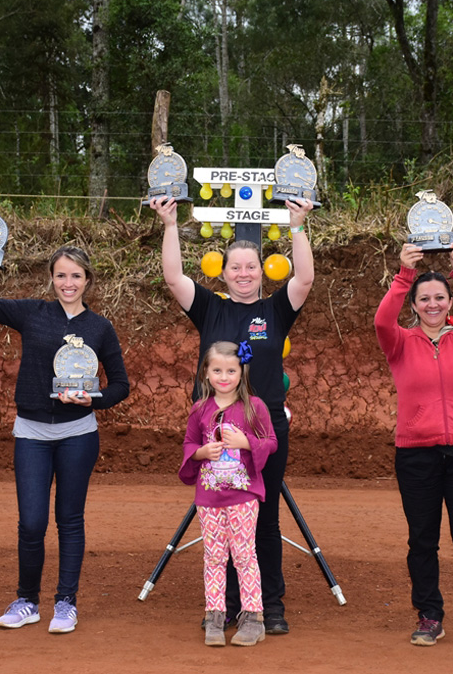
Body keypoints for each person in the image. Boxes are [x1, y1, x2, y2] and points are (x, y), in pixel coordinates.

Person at [151, 195, 314, 634]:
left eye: (251, 266)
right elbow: (172, 278)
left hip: (264, 430)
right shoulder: (210, 307)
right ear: (223, 273)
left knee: (264, 516)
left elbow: (305, 279)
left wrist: (298, 225)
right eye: (236, 267)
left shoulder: (275, 309)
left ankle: (268, 607)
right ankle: (222, 605)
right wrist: (169, 224)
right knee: (221, 518)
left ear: (262, 272)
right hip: (214, 431)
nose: (244, 273)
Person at [0, 234, 129, 634]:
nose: (68, 282)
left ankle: (66, 603)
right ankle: (27, 601)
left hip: (78, 434)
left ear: (88, 280)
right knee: (31, 523)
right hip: (31, 433)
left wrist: (94, 400)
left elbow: (120, 384)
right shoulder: (32, 313)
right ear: (51, 278)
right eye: (61, 275)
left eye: (76, 276)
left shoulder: (100, 327)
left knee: (69, 520)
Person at [374, 240, 453, 648]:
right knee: (422, 540)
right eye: (424, 299)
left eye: (439, 298)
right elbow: (380, 320)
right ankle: (429, 615)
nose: (432, 304)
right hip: (415, 455)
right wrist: (403, 274)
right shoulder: (398, 343)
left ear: (450, 302)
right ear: (414, 305)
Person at [180, 340, 278, 647]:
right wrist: (201, 452)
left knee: (245, 555)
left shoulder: (254, 407)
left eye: (231, 370)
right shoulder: (199, 409)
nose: (224, 377)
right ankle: (215, 616)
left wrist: (246, 442)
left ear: (242, 372)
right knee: (213, 557)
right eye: (217, 370)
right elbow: (188, 445)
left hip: (243, 497)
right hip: (208, 499)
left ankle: (253, 617)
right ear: (206, 373)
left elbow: (271, 442)